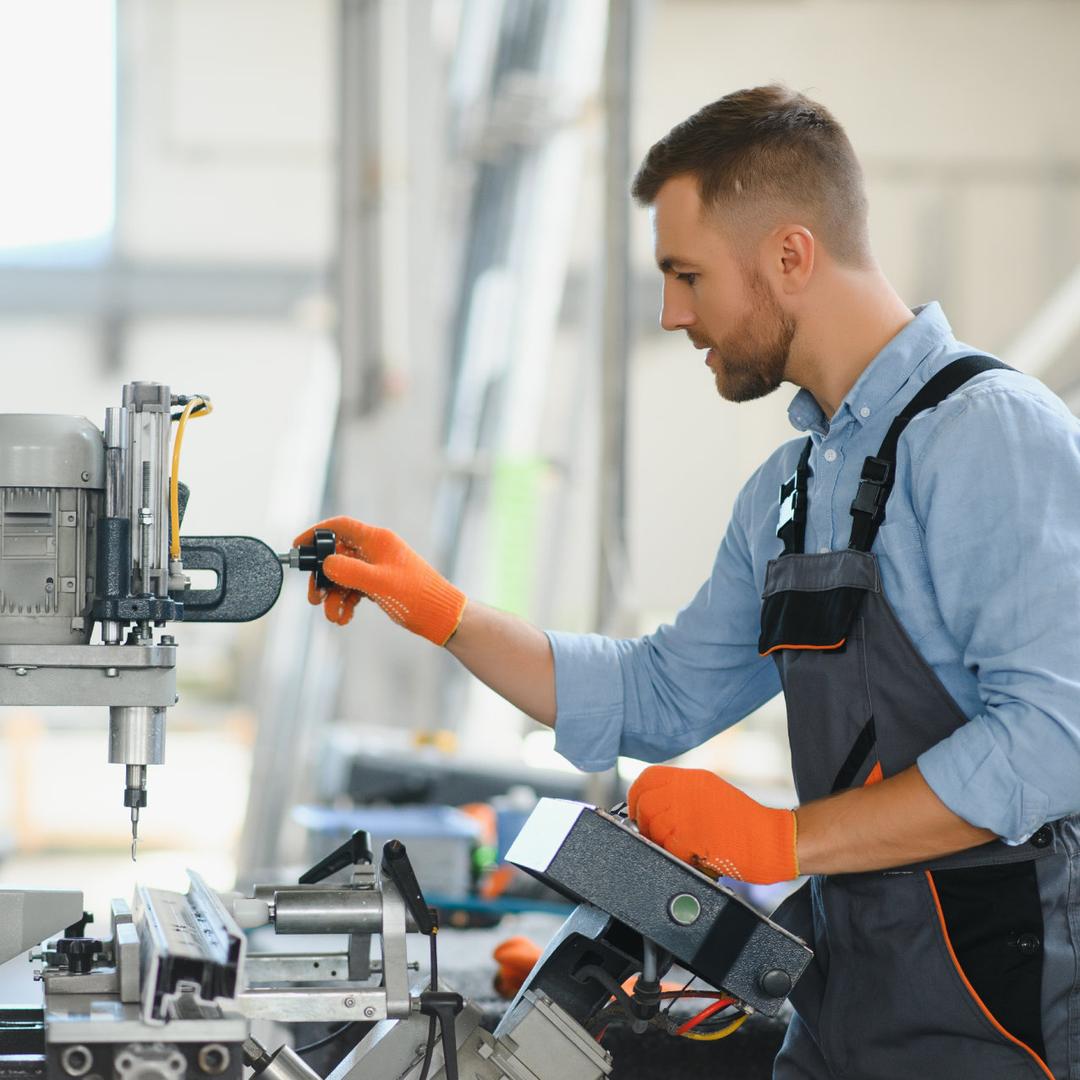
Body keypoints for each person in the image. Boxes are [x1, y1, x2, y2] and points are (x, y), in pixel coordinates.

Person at [295, 85, 1080, 1079]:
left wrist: (779, 836)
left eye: (686, 274)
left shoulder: (991, 434)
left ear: (791, 255)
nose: (672, 314)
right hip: (844, 1008)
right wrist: (443, 612)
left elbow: (1054, 743)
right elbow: (660, 694)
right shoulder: (792, 490)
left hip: (998, 1026)